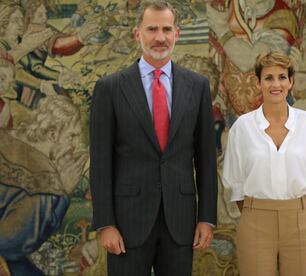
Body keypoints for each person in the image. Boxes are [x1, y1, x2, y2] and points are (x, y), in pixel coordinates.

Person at [89, 1, 218, 275]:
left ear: (177, 34)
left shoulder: (197, 87)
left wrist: (206, 218)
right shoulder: (109, 89)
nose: (160, 37)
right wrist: (105, 224)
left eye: (166, 29)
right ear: (138, 34)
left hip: (180, 222)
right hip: (126, 224)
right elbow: (100, 162)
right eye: (152, 29)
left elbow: (206, 158)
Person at [223, 50, 306, 276]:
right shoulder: (243, 127)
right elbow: (236, 181)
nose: (275, 84)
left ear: (290, 82)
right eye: (268, 78)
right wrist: (256, 211)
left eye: (281, 77)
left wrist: (295, 211)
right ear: (258, 82)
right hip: (255, 221)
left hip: (299, 220)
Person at [0, 95, 87, 275]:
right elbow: (16, 244)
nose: (75, 145)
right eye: (72, 136)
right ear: (53, 134)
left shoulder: (6, 137)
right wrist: (64, 193)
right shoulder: (44, 182)